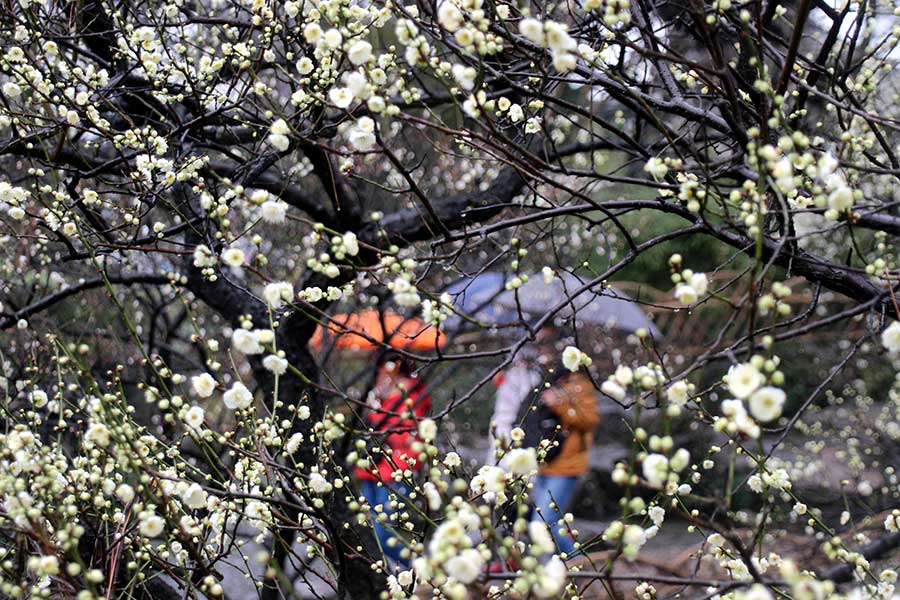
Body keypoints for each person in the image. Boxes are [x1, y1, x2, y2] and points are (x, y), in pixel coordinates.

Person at [354, 354, 431, 566]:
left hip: (395, 471)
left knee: (384, 536)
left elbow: (405, 436)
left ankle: (416, 571)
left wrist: (379, 414)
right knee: (369, 534)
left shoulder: (411, 396)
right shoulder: (380, 394)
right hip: (372, 469)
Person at [527, 340, 600, 557]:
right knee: (548, 524)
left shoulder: (580, 385)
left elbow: (589, 420)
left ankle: (579, 564)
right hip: (545, 464)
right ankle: (567, 570)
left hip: (567, 467)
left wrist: (559, 404)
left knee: (544, 523)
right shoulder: (550, 381)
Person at [485, 343, 541, 465]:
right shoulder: (512, 376)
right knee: (500, 462)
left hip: (519, 427)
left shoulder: (532, 377)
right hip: (505, 425)